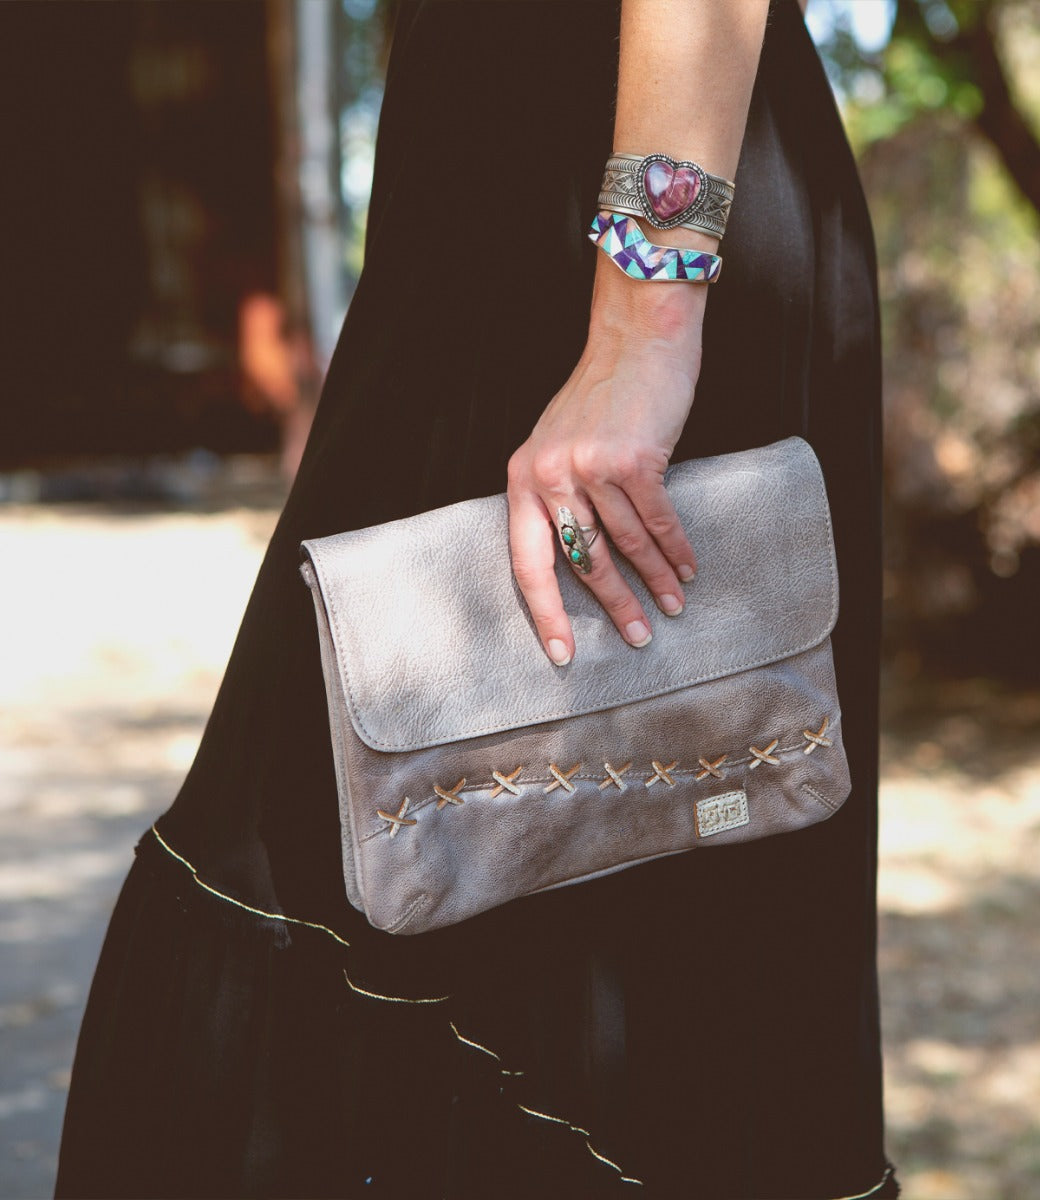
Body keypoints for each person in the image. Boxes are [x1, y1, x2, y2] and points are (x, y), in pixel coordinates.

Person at [56, 1, 897, 1196]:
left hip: (620, 237)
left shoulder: (632, 302)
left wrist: (644, 320)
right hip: (487, 212)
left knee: (314, 853)